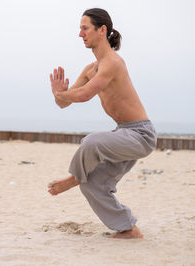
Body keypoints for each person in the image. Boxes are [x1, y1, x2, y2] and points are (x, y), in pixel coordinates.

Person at [47, 8, 157, 239]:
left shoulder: (113, 63)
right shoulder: (91, 69)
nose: (80, 34)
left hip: (140, 135)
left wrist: (64, 95)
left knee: (91, 142)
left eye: (85, 28)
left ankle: (74, 178)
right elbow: (64, 103)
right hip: (123, 136)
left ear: (102, 30)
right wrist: (59, 93)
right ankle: (128, 229)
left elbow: (84, 95)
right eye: (80, 29)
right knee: (93, 184)